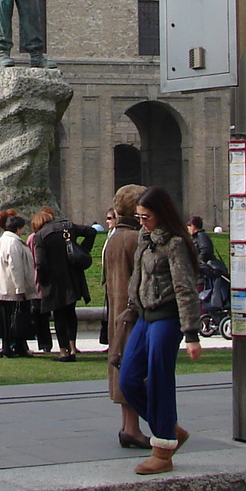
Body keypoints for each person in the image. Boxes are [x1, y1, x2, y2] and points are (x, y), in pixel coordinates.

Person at [119, 186, 203, 474]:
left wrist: (191, 334)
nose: (141, 222)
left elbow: (185, 289)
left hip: (166, 319)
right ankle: (169, 429)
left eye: (146, 217)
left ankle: (163, 451)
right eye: (138, 217)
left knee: (159, 382)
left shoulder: (176, 243)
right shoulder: (145, 238)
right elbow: (138, 277)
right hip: (144, 316)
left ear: (161, 214)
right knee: (128, 379)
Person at [103, 184, 147, 449]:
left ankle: (127, 426)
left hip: (116, 314)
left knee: (122, 366)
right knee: (134, 369)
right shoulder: (135, 239)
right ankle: (132, 429)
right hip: (132, 315)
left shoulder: (114, 238)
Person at [29, 208, 94, 360]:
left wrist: (42, 281)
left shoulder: (40, 236)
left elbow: (41, 262)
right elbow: (91, 231)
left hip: (54, 281)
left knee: (59, 316)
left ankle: (63, 350)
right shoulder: (68, 227)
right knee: (71, 314)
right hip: (73, 276)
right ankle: (72, 347)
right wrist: (82, 250)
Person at [0, 210, 35, 358]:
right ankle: (15, 347)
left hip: (2, 288)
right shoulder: (14, 243)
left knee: (6, 320)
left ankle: (10, 347)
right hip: (11, 290)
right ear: (18, 229)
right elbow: (15, 267)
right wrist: (20, 288)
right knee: (16, 319)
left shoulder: (0, 241)